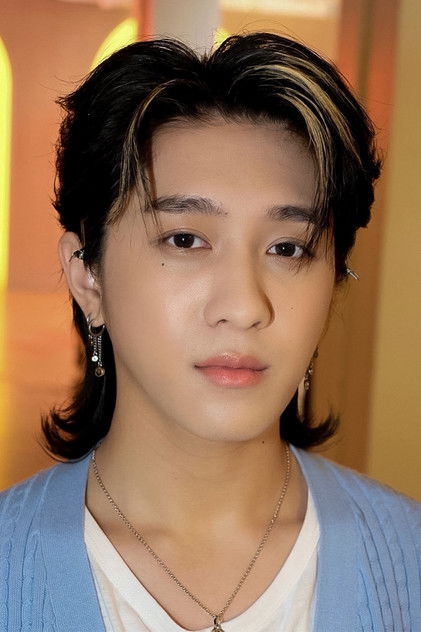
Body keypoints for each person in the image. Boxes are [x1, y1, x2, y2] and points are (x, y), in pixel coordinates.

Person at [0, 32, 420, 632]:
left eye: (287, 248)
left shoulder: (406, 558)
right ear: (88, 276)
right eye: (185, 239)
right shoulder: (11, 566)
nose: (245, 307)